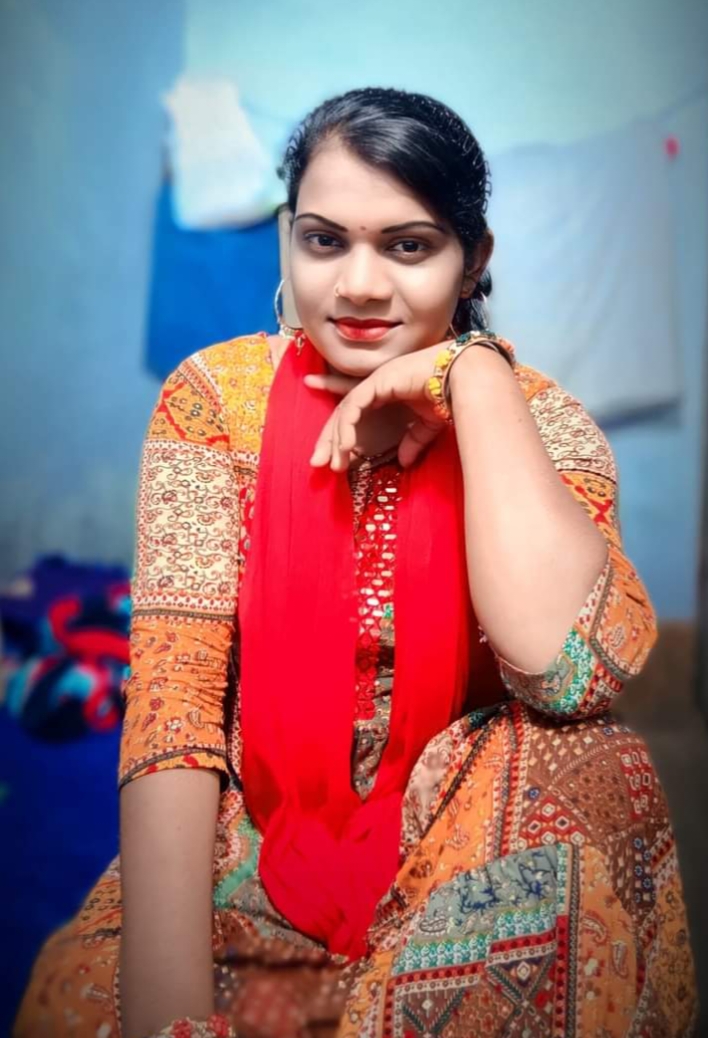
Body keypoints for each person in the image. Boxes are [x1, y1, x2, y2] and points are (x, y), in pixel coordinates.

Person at [14, 87, 697, 1038]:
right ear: (287, 240)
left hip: (463, 853)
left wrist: (473, 378)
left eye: (408, 246)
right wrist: (168, 1020)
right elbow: (174, 706)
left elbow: (571, 674)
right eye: (325, 241)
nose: (361, 285)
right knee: (72, 1008)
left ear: (474, 260)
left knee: (593, 758)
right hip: (253, 849)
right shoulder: (214, 402)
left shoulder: (539, 421)